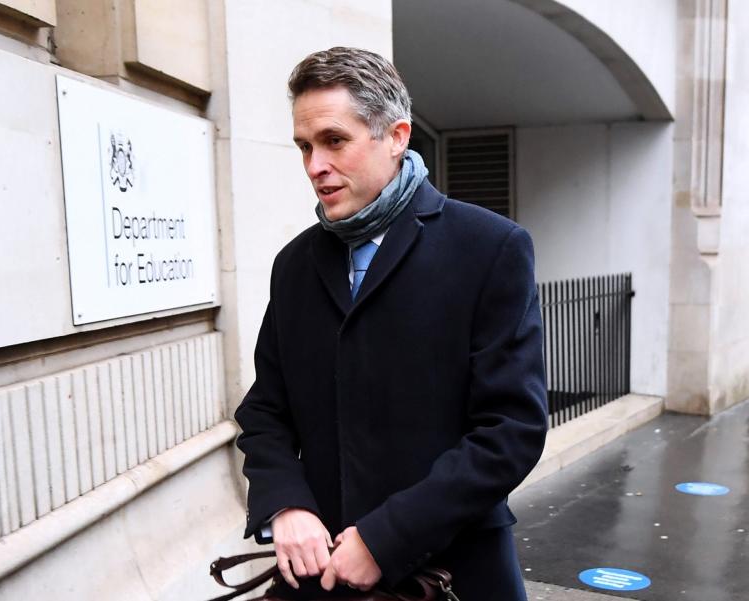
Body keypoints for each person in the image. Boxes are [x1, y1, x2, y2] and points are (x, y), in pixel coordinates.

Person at [234, 47, 548, 600]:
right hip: (321, 576)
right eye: (305, 147)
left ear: (397, 136)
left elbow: (511, 431)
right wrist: (285, 502)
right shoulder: (294, 265)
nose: (314, 166)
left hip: (454, 572)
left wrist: (386, 537)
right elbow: (265, 411)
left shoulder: (490, 247)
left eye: (334, 141)